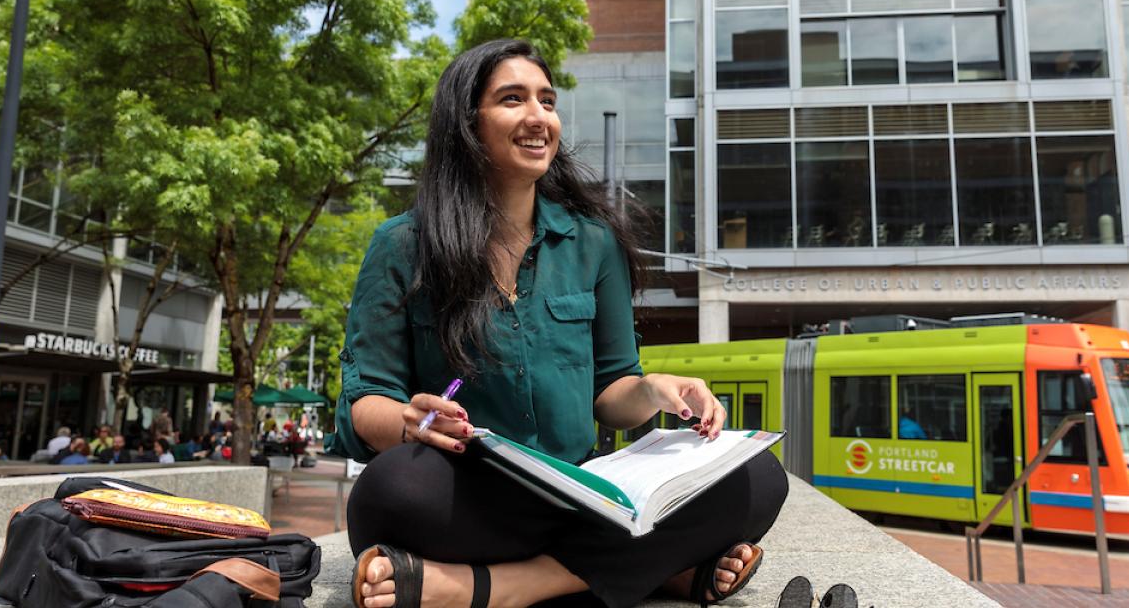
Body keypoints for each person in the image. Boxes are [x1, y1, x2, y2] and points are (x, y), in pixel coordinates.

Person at [326, 40, 787, 608]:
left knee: (757, 476)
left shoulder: (593, 243)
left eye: (547, 101)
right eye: (512, 99)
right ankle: (654, 568)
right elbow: (362, 402)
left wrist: (652, 389)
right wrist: (408, 420)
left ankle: (495, 588)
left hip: (581, 492)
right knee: (389, 491)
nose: (538, 117)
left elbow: (611, 390)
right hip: (472, 496)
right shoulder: (402, 245)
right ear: (467, 124)